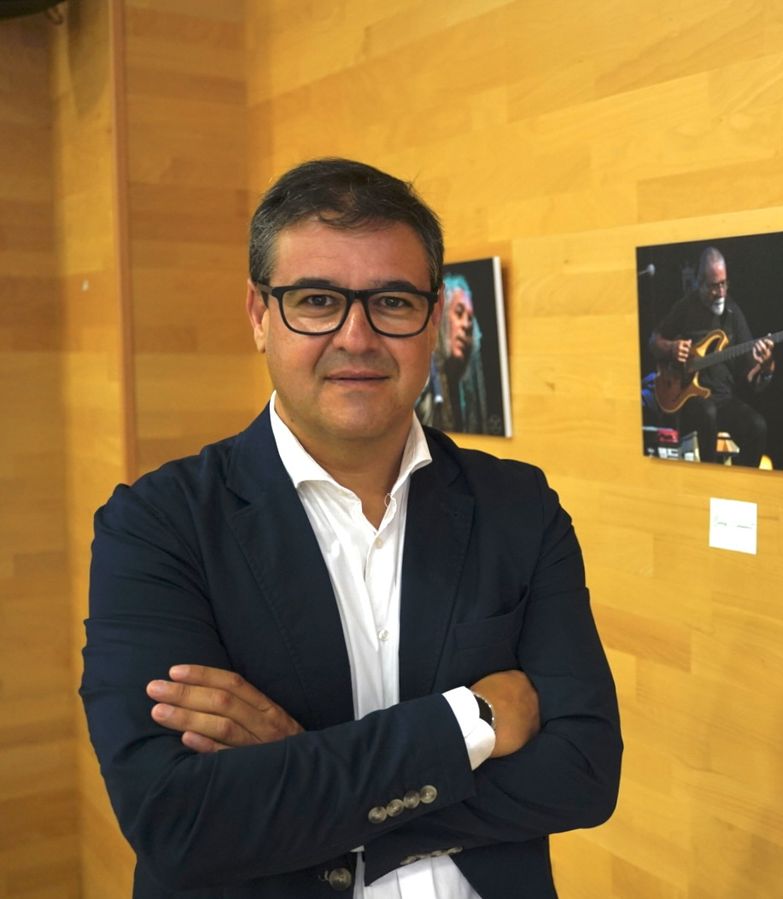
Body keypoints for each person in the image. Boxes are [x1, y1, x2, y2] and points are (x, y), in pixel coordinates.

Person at [80, 158, 621, 898]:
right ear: (258, 315)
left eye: (392, 301)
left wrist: (300, 773)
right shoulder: (157, 526)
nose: (357, 336)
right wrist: (475, 719)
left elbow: (584, 774)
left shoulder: (519, 507)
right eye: (316, 300)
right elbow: (178, 816)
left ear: (433, 317)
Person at [648, 246, 772, 466]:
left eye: (724, 283)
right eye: (714, 286)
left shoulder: (733, 313)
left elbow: (751, 375)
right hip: (688, 399)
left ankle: (741, 482)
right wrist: (672, 347)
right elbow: (654, 341)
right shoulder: (686, 307)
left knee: (758, 426)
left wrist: (766, 365)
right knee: (708, 412)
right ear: (699, 282)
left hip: (723, 400)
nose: (721, 292)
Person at [417, 272, 490, 434]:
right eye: (459, 313)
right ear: (440, 318)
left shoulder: (462, 391)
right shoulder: (420, 381)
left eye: (470, 318)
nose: (466, 325)